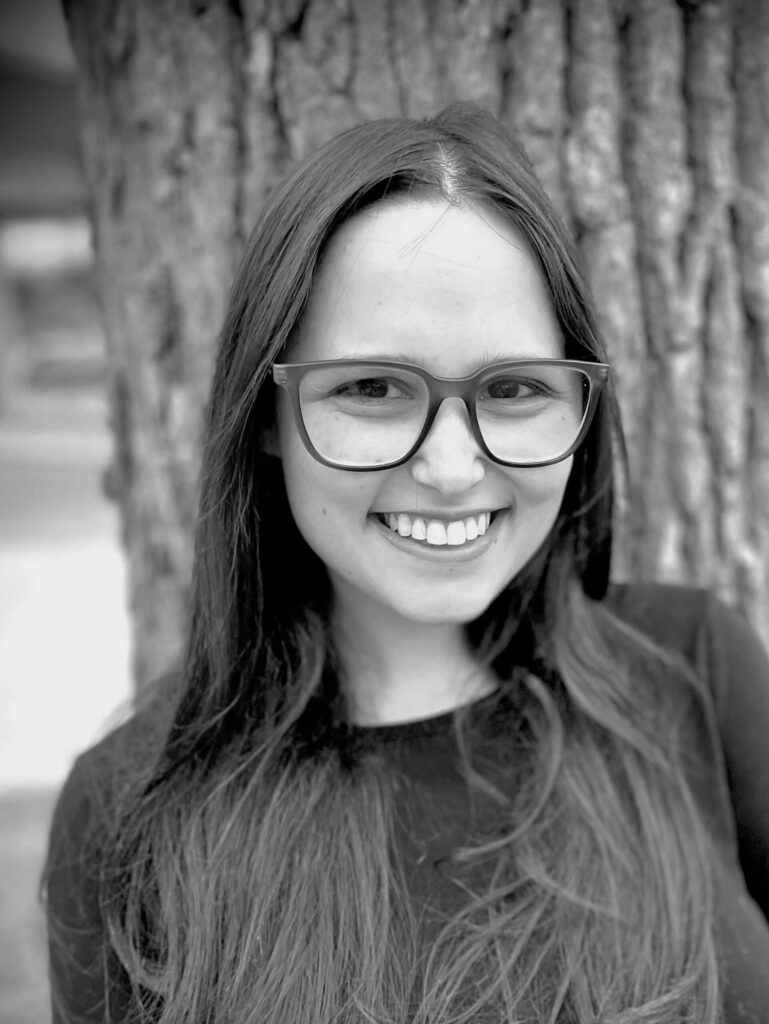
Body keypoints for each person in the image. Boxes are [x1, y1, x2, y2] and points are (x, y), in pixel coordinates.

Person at [43, 104, 769, 1024]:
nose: (452, 468)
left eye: (513, 388)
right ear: (267, 417)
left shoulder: (694, 668)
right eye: (373, 388)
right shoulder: (127, 813)